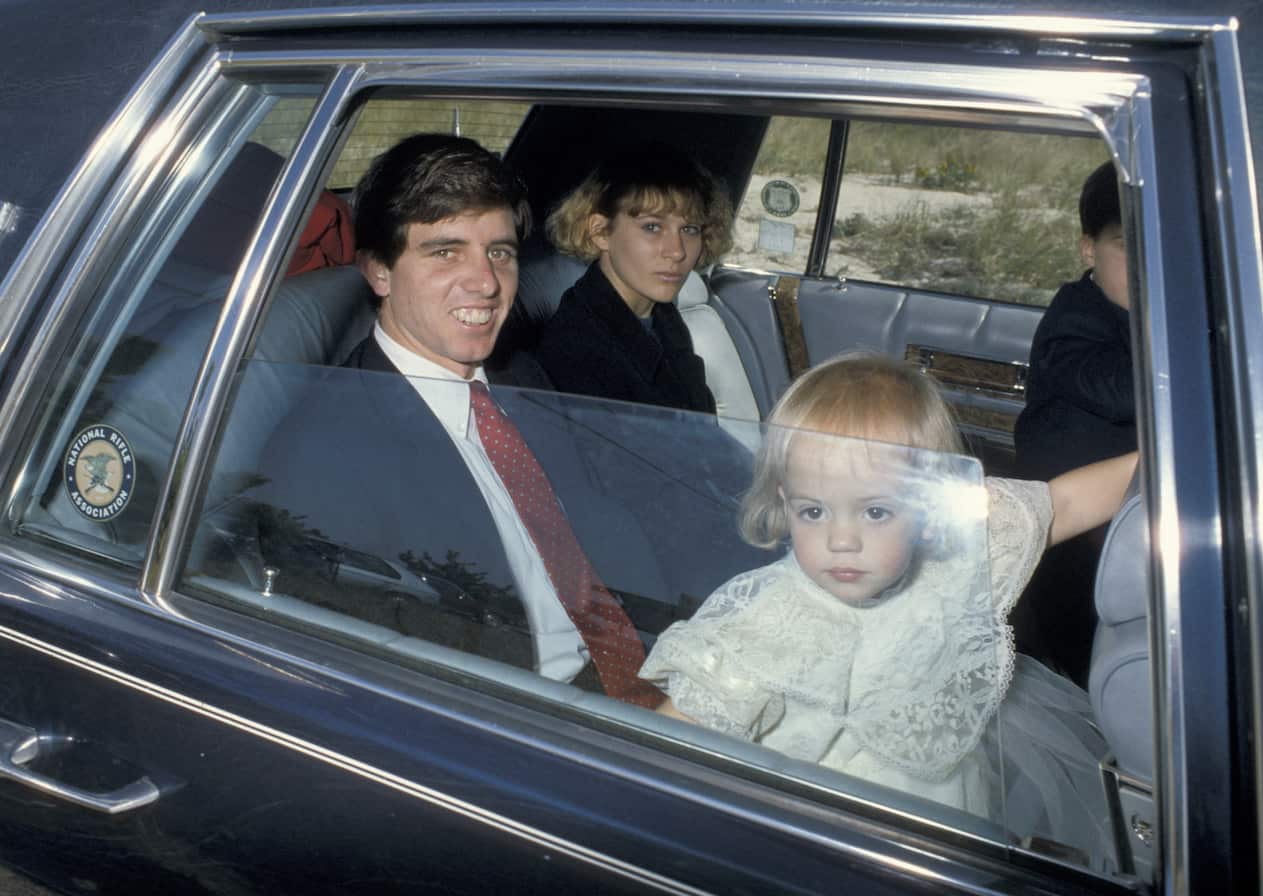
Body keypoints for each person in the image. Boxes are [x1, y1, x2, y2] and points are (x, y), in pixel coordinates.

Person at [639, 354, 1135, 864]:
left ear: (927, 509)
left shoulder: (952, 557)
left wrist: (1167, 458)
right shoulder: (770, 617)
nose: (841, 540)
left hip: (944, 810)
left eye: (875, 511)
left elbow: (1066, 504)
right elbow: (675, 735)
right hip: (829, 838)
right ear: (785, 502)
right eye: (813, 511)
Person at [246, 134, 669, 707]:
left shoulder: (521, 375)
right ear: (378, 272)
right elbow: (391, 696)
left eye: (499, 251)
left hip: (640, 668)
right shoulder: (321, 458)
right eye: (445, 252)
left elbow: (605, 527)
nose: (487, 283)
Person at [1012, 161, 1136, 685]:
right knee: (1081, 657)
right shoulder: (1074, 317)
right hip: (1066, 529)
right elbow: (1121, 391)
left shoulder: (1150, 315)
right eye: (1129, 247)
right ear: (1089, 248)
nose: (1153, 266)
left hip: (1123, 517)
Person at [535, 144, 734, 412]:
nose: (677, 251)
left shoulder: (662, 318)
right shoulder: (577, 350)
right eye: (652, 227)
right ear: (601, 232)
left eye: (689, 229)